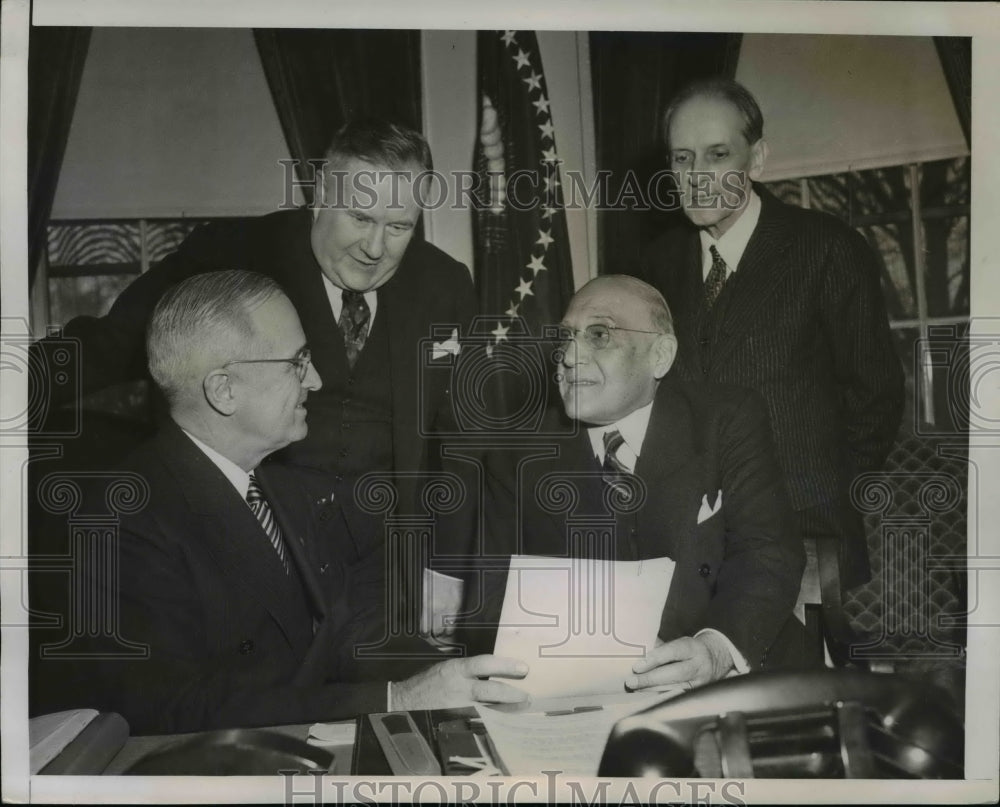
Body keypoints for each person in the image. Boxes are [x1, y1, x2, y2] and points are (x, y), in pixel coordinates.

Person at [54, 272, 525, 735]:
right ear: (224, 391)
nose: (316, 381)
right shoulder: (124, 516)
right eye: (297, 363)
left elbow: (343, 631)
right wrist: (394, 699)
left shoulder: (281, 485)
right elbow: (173, 705)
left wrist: (459, 678)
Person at [44, 119, 477, 571]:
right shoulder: (233, 250)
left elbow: (460, 440)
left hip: (385, 559)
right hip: (246, 543)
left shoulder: (445, 284)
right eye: (360, 218)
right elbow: (114, 341)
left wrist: (445, 568)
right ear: (321, 194)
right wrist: (18, 390)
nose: (375, 248)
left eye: (399, 227)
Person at [458, 275, 804, 690]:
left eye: (599, 335)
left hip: (733, 675)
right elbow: (488, 606)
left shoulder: (725, 420)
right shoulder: (515, 455)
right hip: (586, 692)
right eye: (566, 337)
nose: (569, 356)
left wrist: (714, 651)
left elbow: (768, 553)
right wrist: (604, 657)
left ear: (660, 355)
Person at [638, 78, 904, 592]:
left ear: (756, 160)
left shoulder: (829, 249)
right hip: (690, 543)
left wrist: (823, 489)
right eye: (682, 159)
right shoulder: (655, 263)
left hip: (807, 536)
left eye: (717, 156)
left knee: (808, 677)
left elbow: (877, 396)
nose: (697, 179)